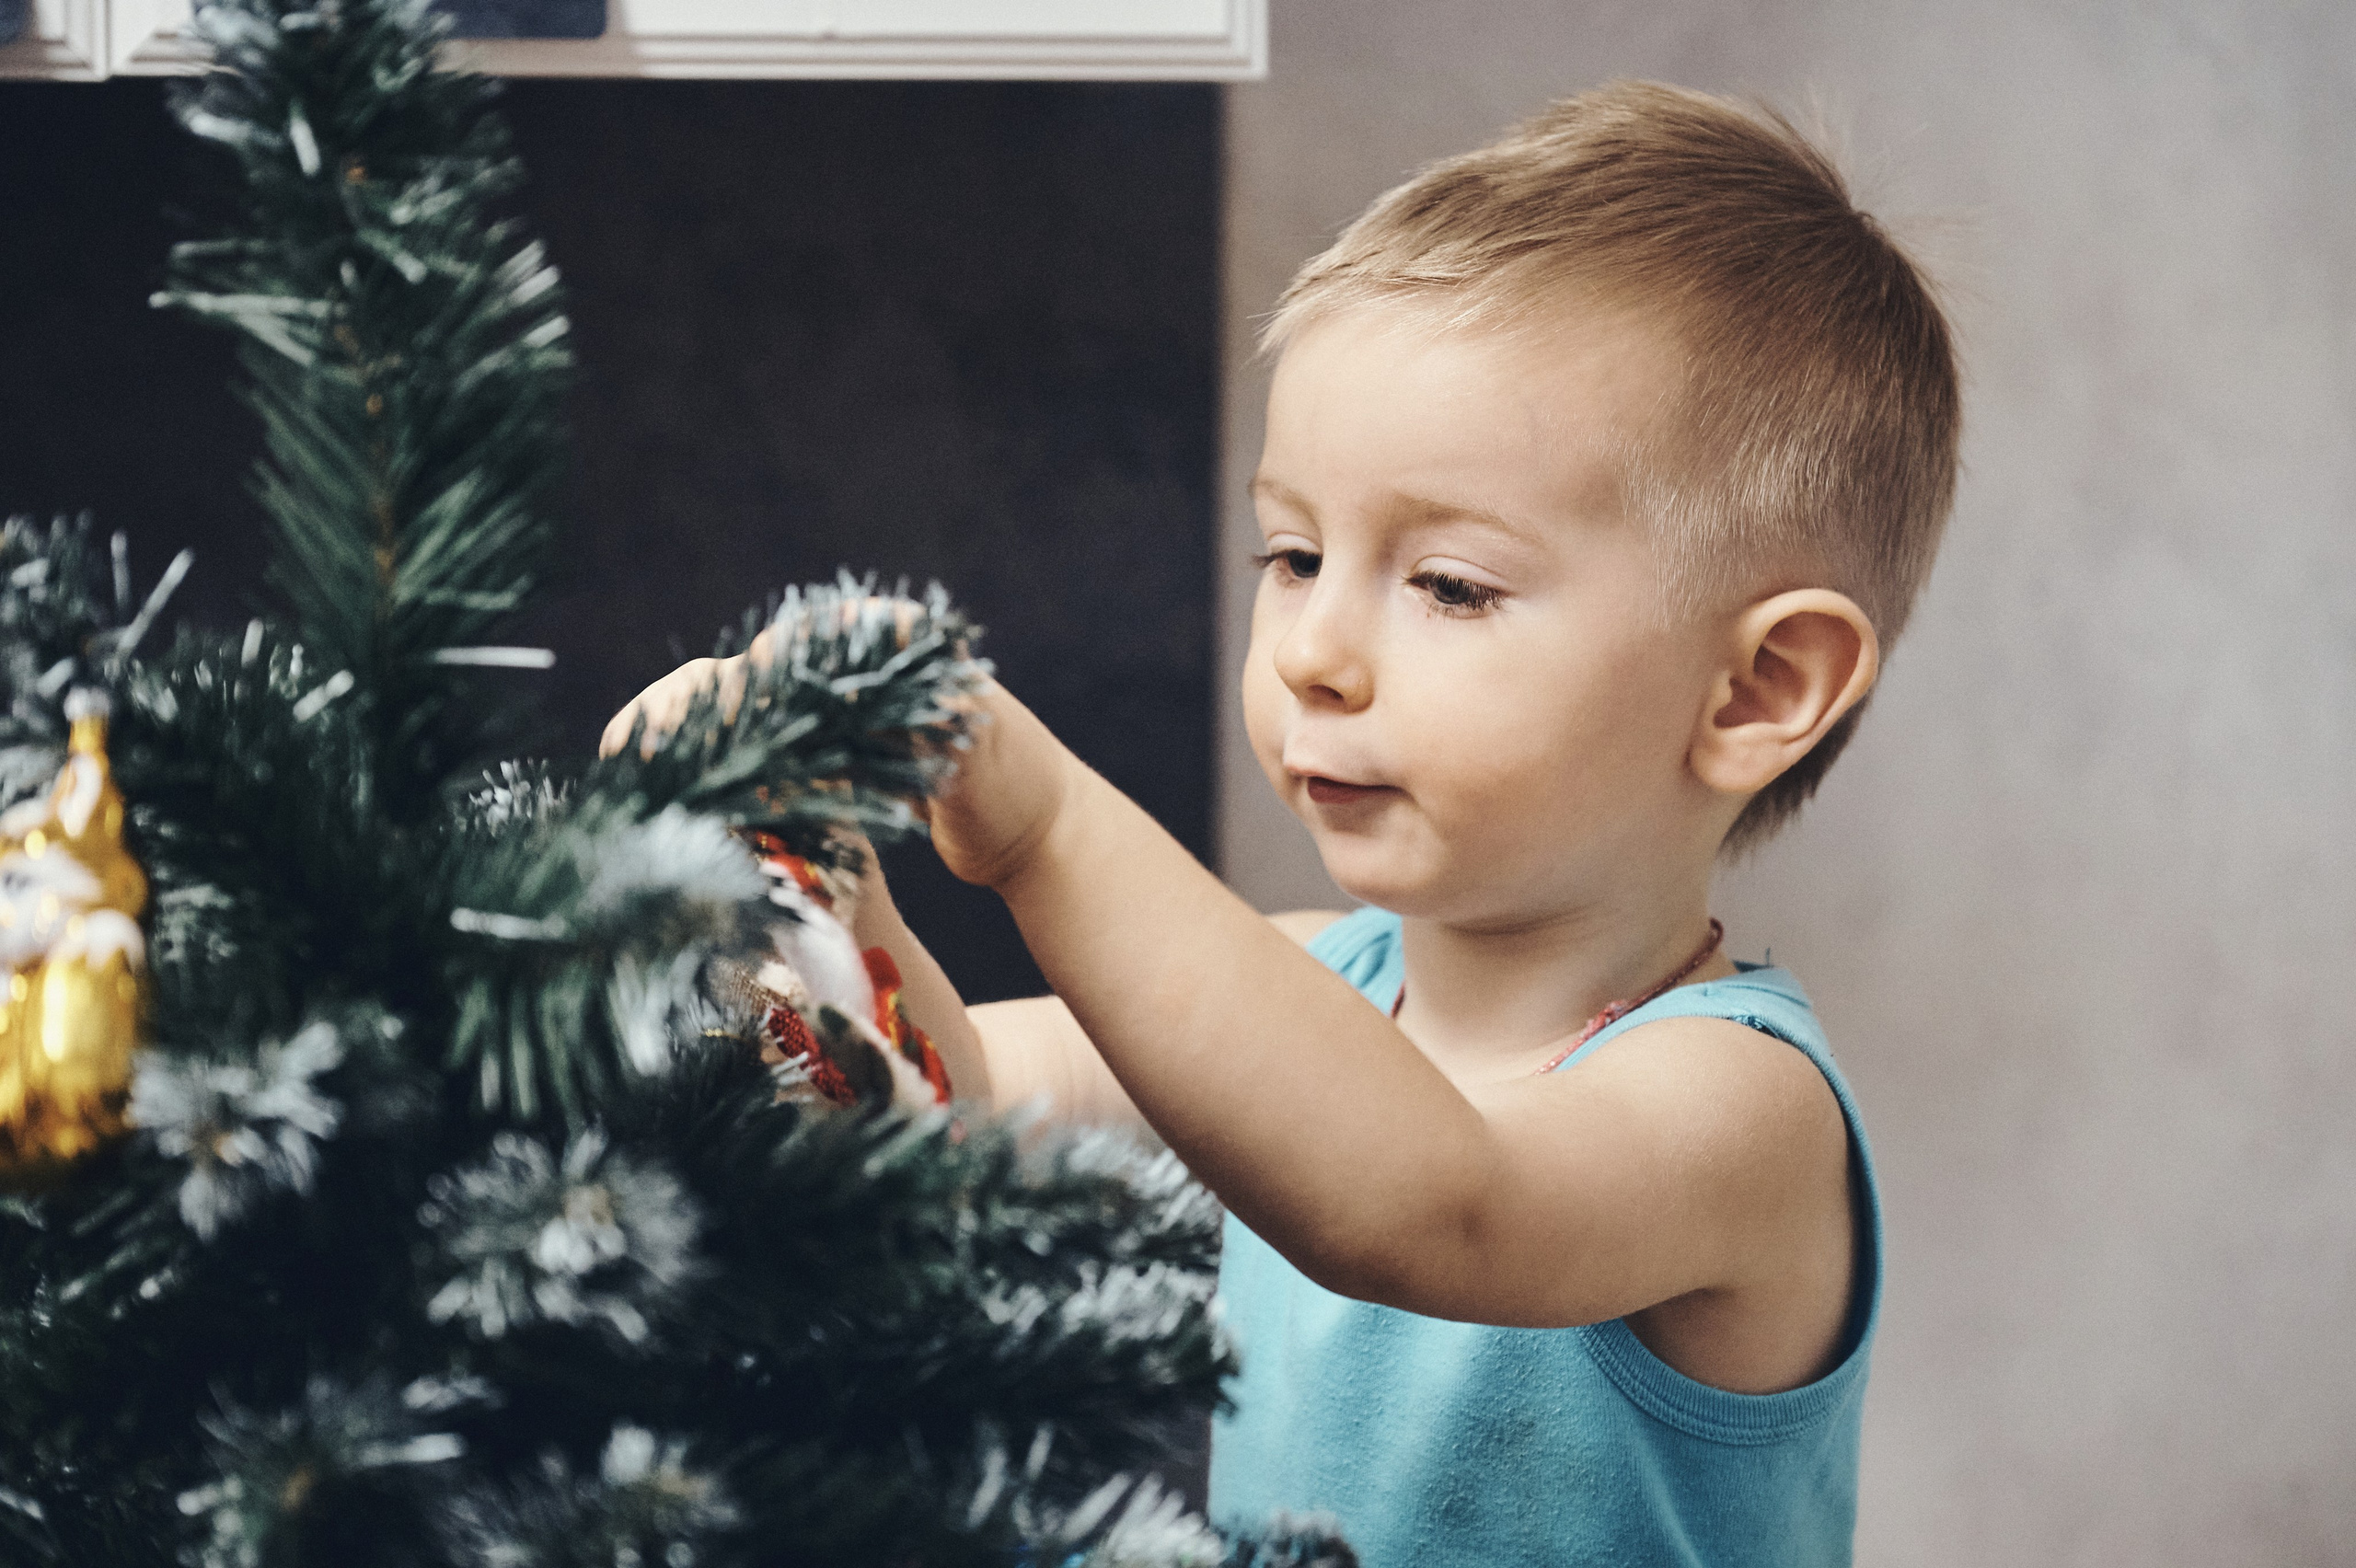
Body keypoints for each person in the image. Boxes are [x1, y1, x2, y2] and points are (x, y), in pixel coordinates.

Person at [606, 79, 1960, 1568]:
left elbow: (1432, 1202)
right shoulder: (1316, 989)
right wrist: (818, 883)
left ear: (1759, 687)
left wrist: (1044, 823)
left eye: (1449, 583)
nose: (1314, 647)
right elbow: (956, 1099)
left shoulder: (1741, 1112)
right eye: (1295, 552)